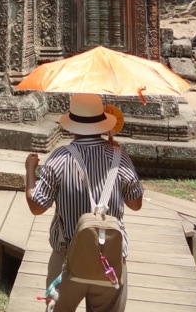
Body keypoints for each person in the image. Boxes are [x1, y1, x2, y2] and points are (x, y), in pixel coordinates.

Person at [25, 92, 143, 312]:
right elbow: (136, 204)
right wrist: (118, 157)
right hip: (110, 263)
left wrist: (30, 170)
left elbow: (36, 206)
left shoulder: (59, 159)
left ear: (72, 124)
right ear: (102, 122)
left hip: (67, 260)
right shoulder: (120, 157)